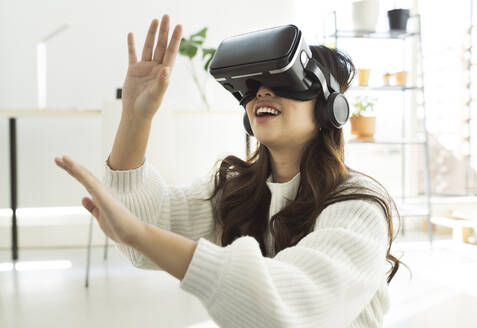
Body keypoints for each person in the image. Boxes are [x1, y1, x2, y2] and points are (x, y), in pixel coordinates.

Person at [55, 14, 407, 328]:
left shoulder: (359, 207)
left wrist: (140, 234)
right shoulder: (238, 192)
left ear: (331, 108)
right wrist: (135, 115)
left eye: (285, 82)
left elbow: (290, 308)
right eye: (252, 87)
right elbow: (147, 226)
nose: (262, 92)